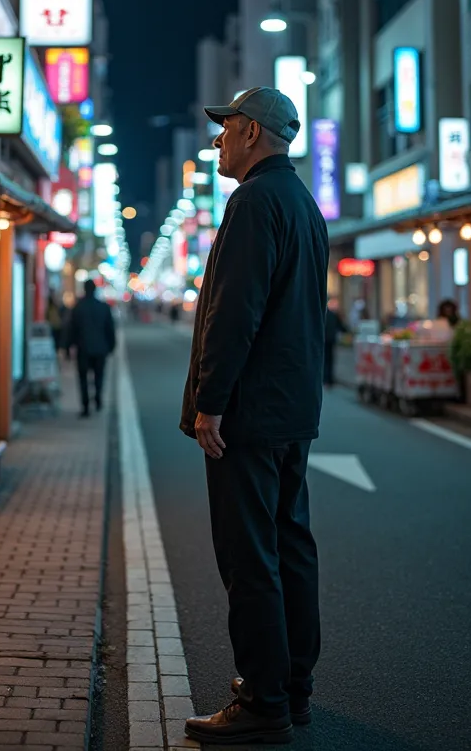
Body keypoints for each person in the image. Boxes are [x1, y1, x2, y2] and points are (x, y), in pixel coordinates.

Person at [181, 87, 329, 746]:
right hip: (292, 410)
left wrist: (210, 402)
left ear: (251, 132)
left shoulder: (253, 203)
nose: (216, 140)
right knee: (290, 547)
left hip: (249, 413)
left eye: (225, 128)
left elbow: (234, 314)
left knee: (250, 557)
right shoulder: (302, 203)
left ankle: (261, 699)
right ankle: (293, 688)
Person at [67, 279, 116, 417]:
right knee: (99, 375)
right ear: (95, 289)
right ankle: (98, 398)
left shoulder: (78, 307)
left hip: (83, 348)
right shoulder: (103, 307)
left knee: (82, 377)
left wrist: (67, 347)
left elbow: (71, 329)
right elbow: (110, 329)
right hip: (101, 348)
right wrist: (111, 346)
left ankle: (85, 406)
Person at [324, 298, 348, 387]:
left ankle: (327, 379)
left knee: (327, 359)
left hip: (326, 340)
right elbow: (341, 327)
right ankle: (328, 379)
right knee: (329, 360)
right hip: (330, 339)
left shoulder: (326, 314)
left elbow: (340, 326)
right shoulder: (333, 315)